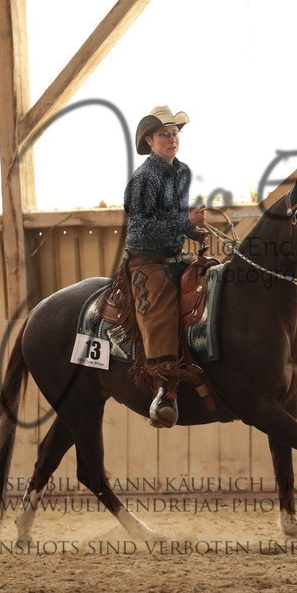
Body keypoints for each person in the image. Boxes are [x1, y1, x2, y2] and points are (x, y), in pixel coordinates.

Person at [123, 105, 209, 428]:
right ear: (150, 140)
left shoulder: (183, 172)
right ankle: (164, 388)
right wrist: (185, 221)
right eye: (164, 134)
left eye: (175, 134)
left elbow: (174, 219)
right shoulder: (144, 177)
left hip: (174, 254)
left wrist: (193, 230)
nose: (172, 139)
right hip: (147, 259)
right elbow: (143, 227)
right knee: (158, 308)